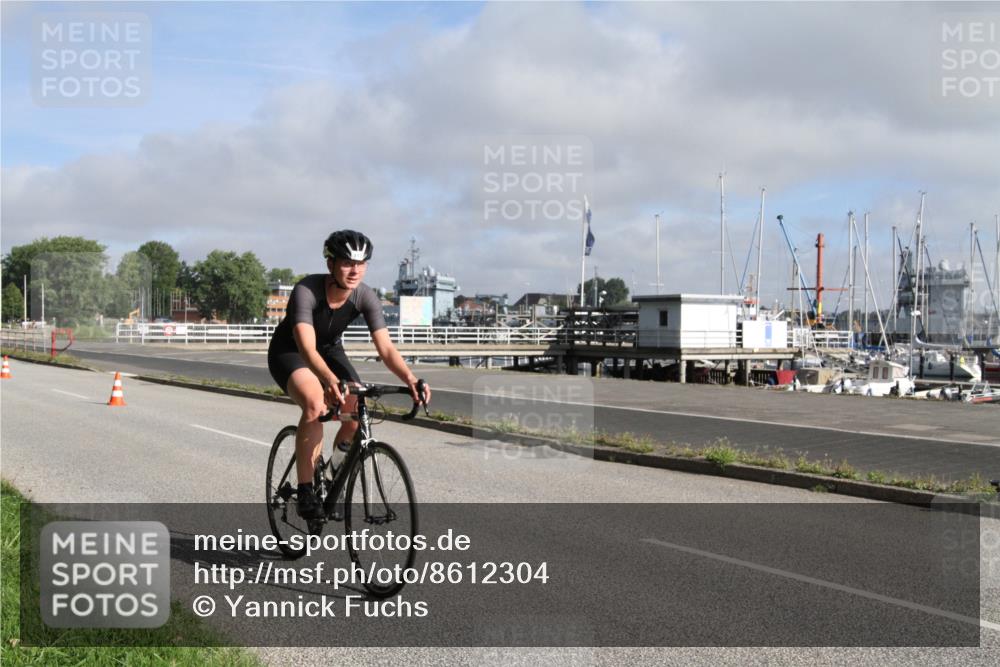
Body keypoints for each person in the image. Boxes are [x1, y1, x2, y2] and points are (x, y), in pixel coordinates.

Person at [267, 230, 431, 518]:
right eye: (346, 263)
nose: (355, 270)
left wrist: (411, 380)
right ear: (330, 264)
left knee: (356, 407)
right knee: (316, 405)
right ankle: (306, 489)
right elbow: (306, 348)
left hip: (330, 350)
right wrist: (329, 381)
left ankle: (331, 477)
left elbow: (386, 350)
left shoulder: (365, 296)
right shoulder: (307, 290)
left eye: (361, 263)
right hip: (290, 352)